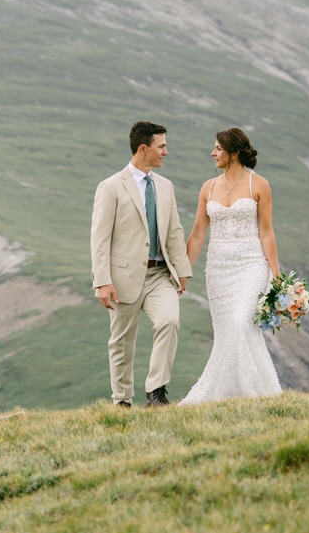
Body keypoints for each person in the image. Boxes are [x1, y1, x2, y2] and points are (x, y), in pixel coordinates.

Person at [90, 121, 192, 407]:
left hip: (160, 275)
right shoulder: (110, 186)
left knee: (170, 321)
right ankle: (122, 401)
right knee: (122, 342)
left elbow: (174, 231)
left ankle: (156, 393)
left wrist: (182, 271)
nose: (166, 152)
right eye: (162, 147)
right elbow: (99, 238)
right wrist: (102, 281)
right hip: (122, 278)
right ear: (143, 148)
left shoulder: (165, 186)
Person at [179, 127, 282, 404]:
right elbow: (198, 233)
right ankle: (232, 394)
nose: (213, 153)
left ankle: (253, 391)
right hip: (218, 270)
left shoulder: (258, 185)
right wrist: (184, 272)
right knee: (227, 332)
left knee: (240, 324)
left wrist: (276, 273)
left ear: (234, 152)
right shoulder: (208, 188)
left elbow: (266, 231)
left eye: (218, 149)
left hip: (251, 265)